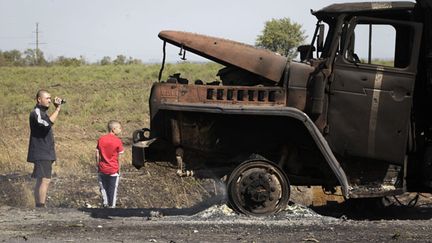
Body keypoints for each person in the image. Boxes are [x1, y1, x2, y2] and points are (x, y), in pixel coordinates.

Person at [27, 89, 63, 208]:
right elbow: (46, 124)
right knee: (45, 180)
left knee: (41, 179)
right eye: (47, 98)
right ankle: (41, 206)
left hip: (45, 151)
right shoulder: (36, 112)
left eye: (50, 98)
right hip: (41, 151)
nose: (49, 100)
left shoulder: (42, 113)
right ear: (39, 99)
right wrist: (57, 109)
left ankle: (39, 205)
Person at [96, 120, 124, 208]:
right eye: (119, 128)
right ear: (113, 129)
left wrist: (98, 165)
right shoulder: (118, 141)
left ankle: (105, 204)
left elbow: (97, 154)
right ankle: (111, 207)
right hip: (113, 169)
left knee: (103, 188)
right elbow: (120, 157)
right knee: (112, 189)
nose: (120, 129)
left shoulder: (101, 139)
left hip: (102, 168)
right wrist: (119, 169)